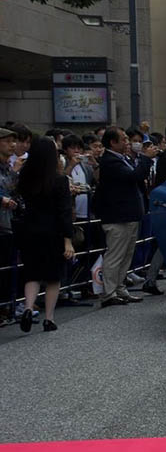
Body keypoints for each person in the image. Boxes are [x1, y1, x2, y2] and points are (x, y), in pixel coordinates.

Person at [15, 138, 75, 332]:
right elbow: (64, 212)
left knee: (32, 274)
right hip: (53, 232)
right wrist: (68, 240)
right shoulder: (59, 180)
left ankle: (28, 307)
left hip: (29, 230)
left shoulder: (25, 176)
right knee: (52, 277)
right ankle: (49, 318)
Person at [95, 127, 158, 306]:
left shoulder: (123, 159)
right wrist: (146, 159)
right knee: (115, 255)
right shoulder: (109, 161)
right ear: (112, 142)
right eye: (123, 139)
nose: (127, 143)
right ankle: (108, 293)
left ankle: (120, 288)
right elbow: (134, 176)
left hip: (130, 215)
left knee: (126, 255)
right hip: (117, 216)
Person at [0, 127, 19, 325]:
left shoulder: (8, 167)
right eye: (7, 141)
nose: (12, 145)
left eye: (14, 141)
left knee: (8, 268)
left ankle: (7, 308)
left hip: (9, 223)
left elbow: (13, 189)